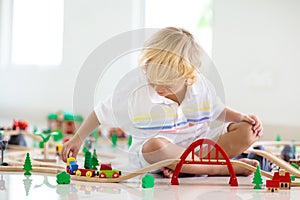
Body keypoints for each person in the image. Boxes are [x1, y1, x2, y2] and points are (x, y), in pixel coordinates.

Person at [62, 27, 263, 177]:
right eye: (153, 80)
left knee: (248, 131)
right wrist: (77, 138)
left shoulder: (200, 85)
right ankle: (219, 169)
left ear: (188, 76)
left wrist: (241, 118)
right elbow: (100, 113)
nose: (158, 88)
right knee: (156, 146)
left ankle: (185, 168)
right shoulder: (134, 89)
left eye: (167, 85)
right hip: (159, 153)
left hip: (195, 147)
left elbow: (216, 110)